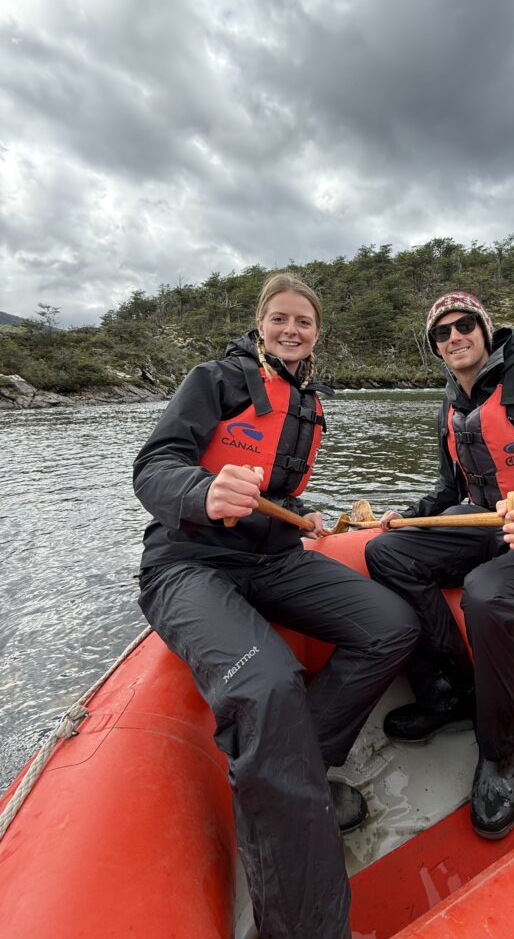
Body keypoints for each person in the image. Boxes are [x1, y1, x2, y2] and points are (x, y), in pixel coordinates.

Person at [133, 273, 420, 939]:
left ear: (317, 333)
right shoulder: (214, 381)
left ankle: (300, 773)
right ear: (260, 324)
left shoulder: (308, 402)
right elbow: (154, 467)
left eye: (304, 321)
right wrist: (203, 492)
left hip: (273, 559)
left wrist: (299, 512)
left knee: (391, 625)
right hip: (189, 562)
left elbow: (274, 488)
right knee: (266, 685)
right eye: (280, 319)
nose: (292, 330)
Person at [365, 291, 514, 840]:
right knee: (386, 554)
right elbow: (450, 489)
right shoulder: (451, 408)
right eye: (442, 332)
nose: (454, 337)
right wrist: (412, 515)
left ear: (485, 330)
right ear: (435, 347)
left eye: (465, 325)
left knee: (486, 592)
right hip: (486, 526)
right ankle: (451, 692)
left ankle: (498, 752)